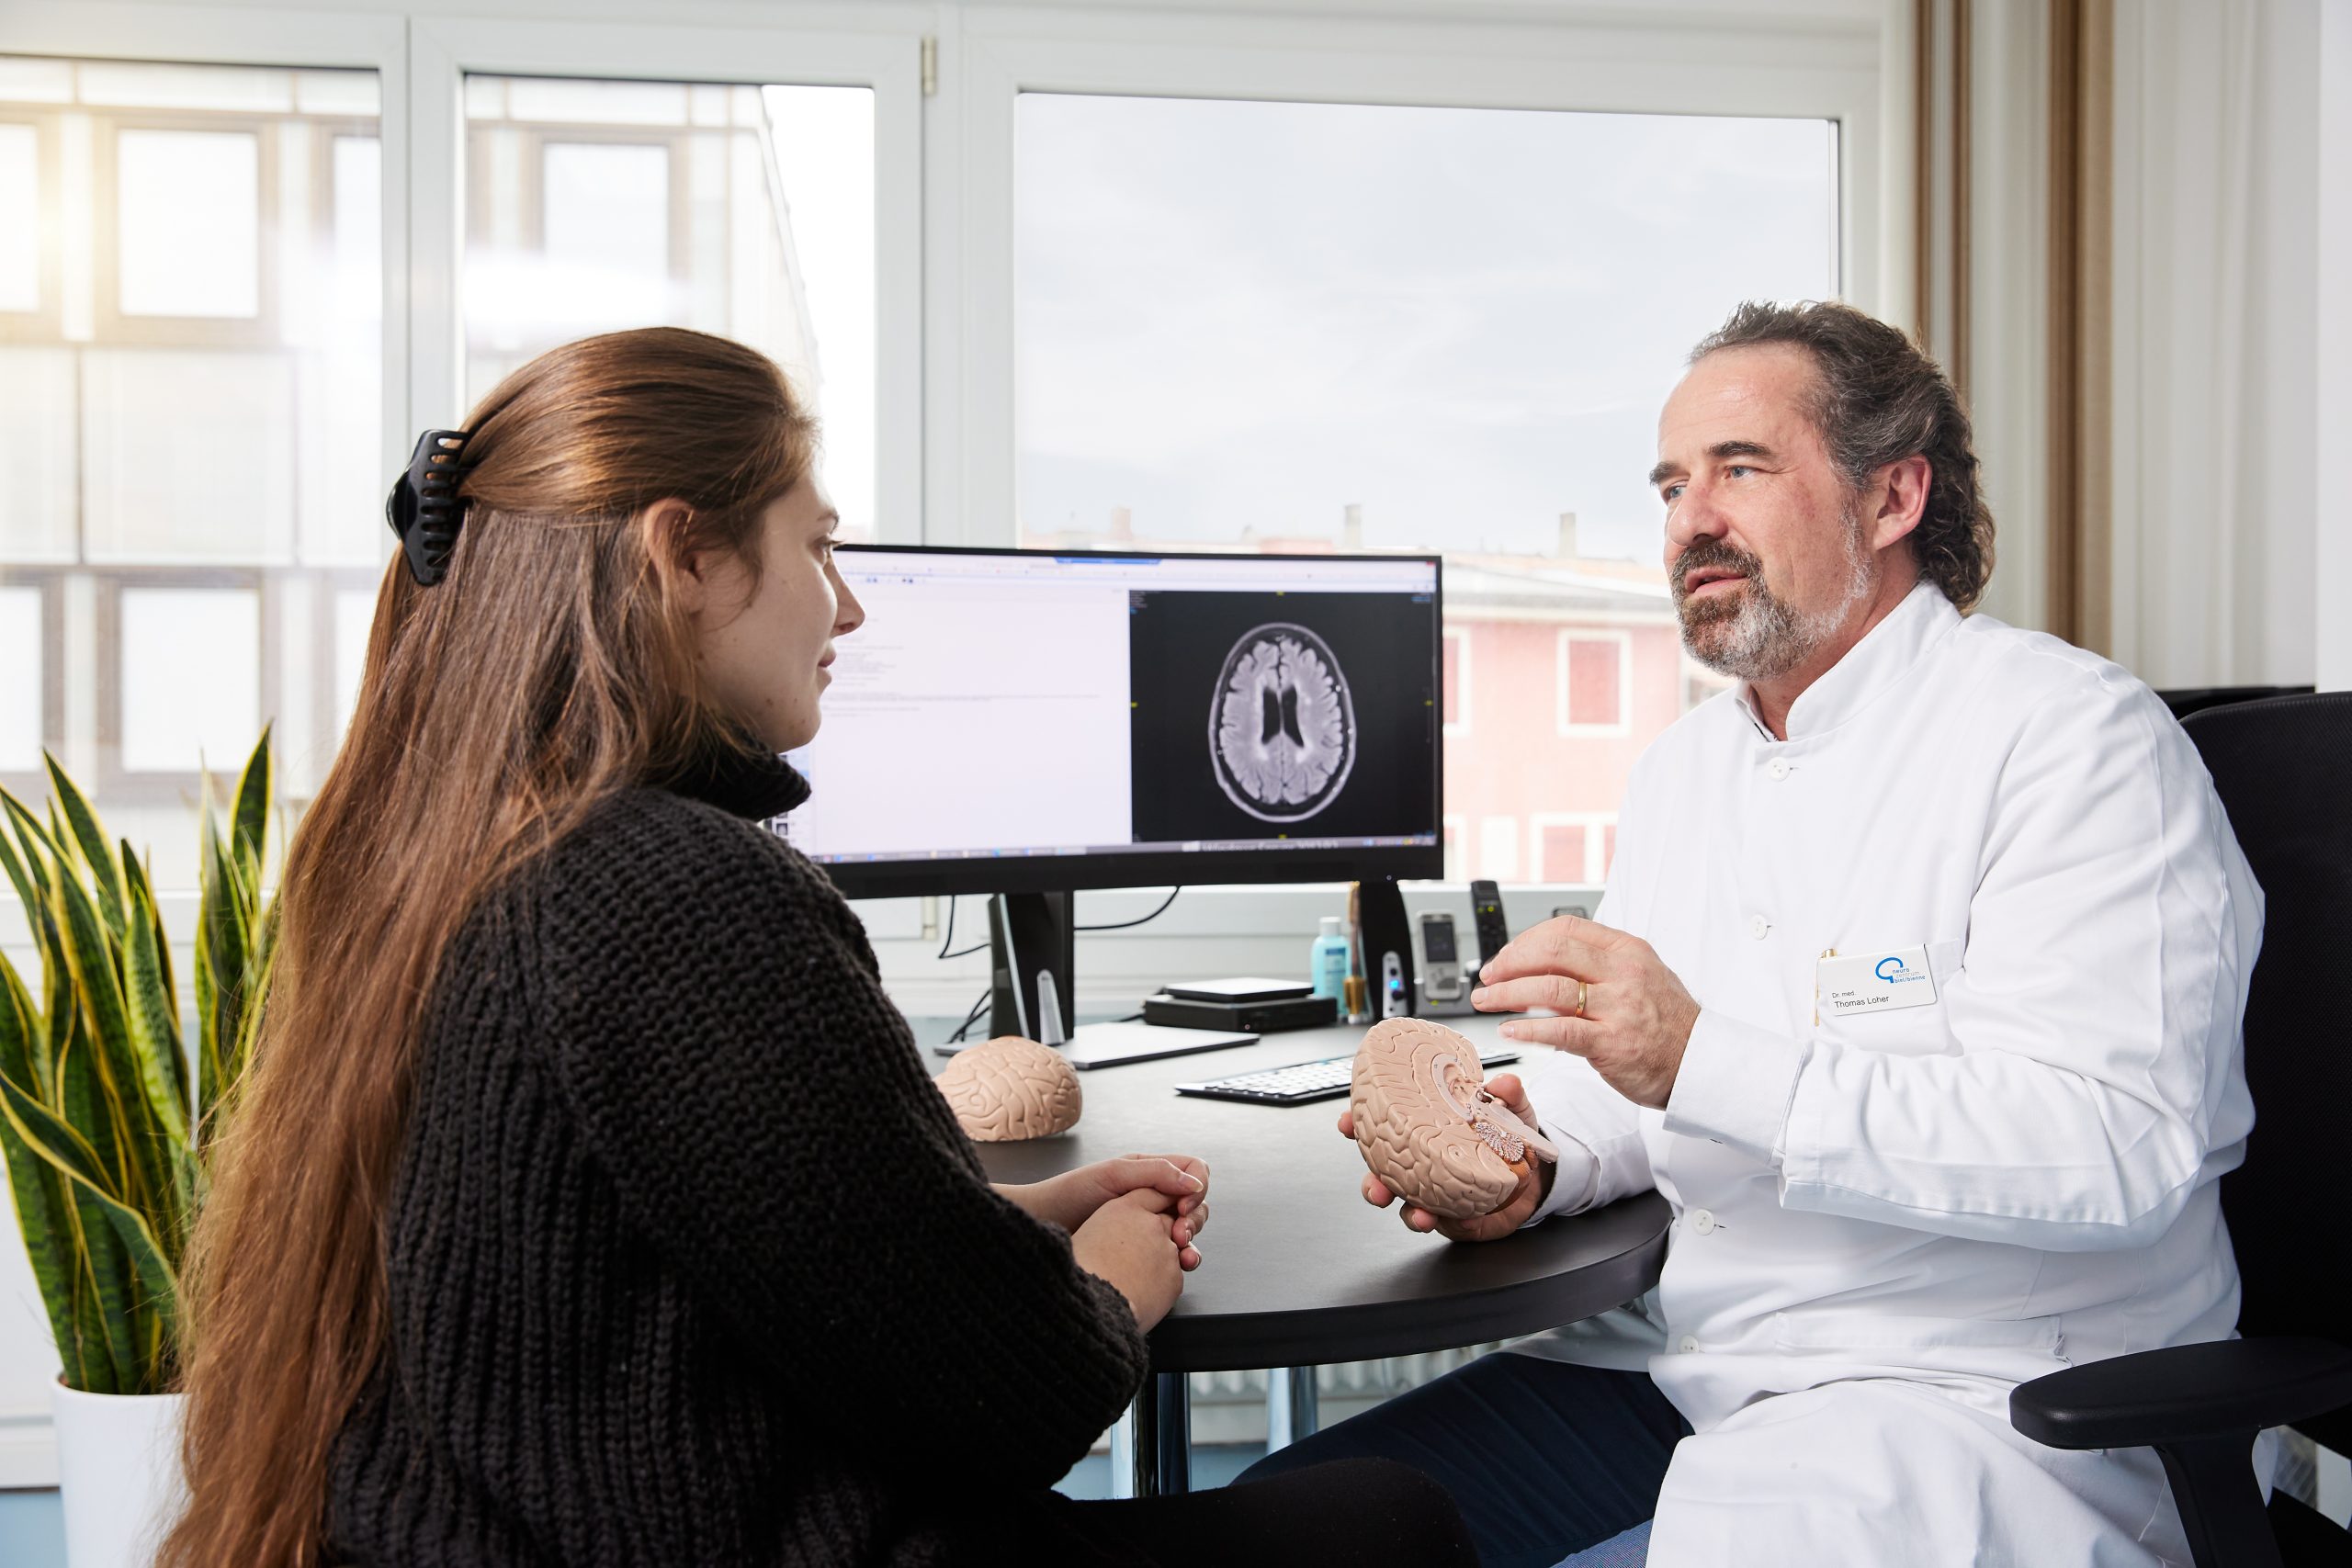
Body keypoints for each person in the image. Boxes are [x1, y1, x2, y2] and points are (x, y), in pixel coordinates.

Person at [160, 327, 1476, 1568]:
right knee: (1392, 1520)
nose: (846, 610)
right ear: (683, 556)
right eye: (819, 548)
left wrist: (982, 1225)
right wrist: (1118, 1273)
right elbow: (1014, 1400)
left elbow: (647, 1261)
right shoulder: (670, 889)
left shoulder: (431, 856)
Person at [1244, 300, 2262, 1568]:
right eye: (1673, 485)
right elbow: (1633, 1085)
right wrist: (1540, 1158)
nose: (1691, 520)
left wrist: (1698, 1057)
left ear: (1892, 498)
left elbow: (2112, 1145)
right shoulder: (1684, 772)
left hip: (1977, 1414)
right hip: (1697, 1375)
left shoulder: (2074, 742)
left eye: (1741, 469)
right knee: (1286, 1530)